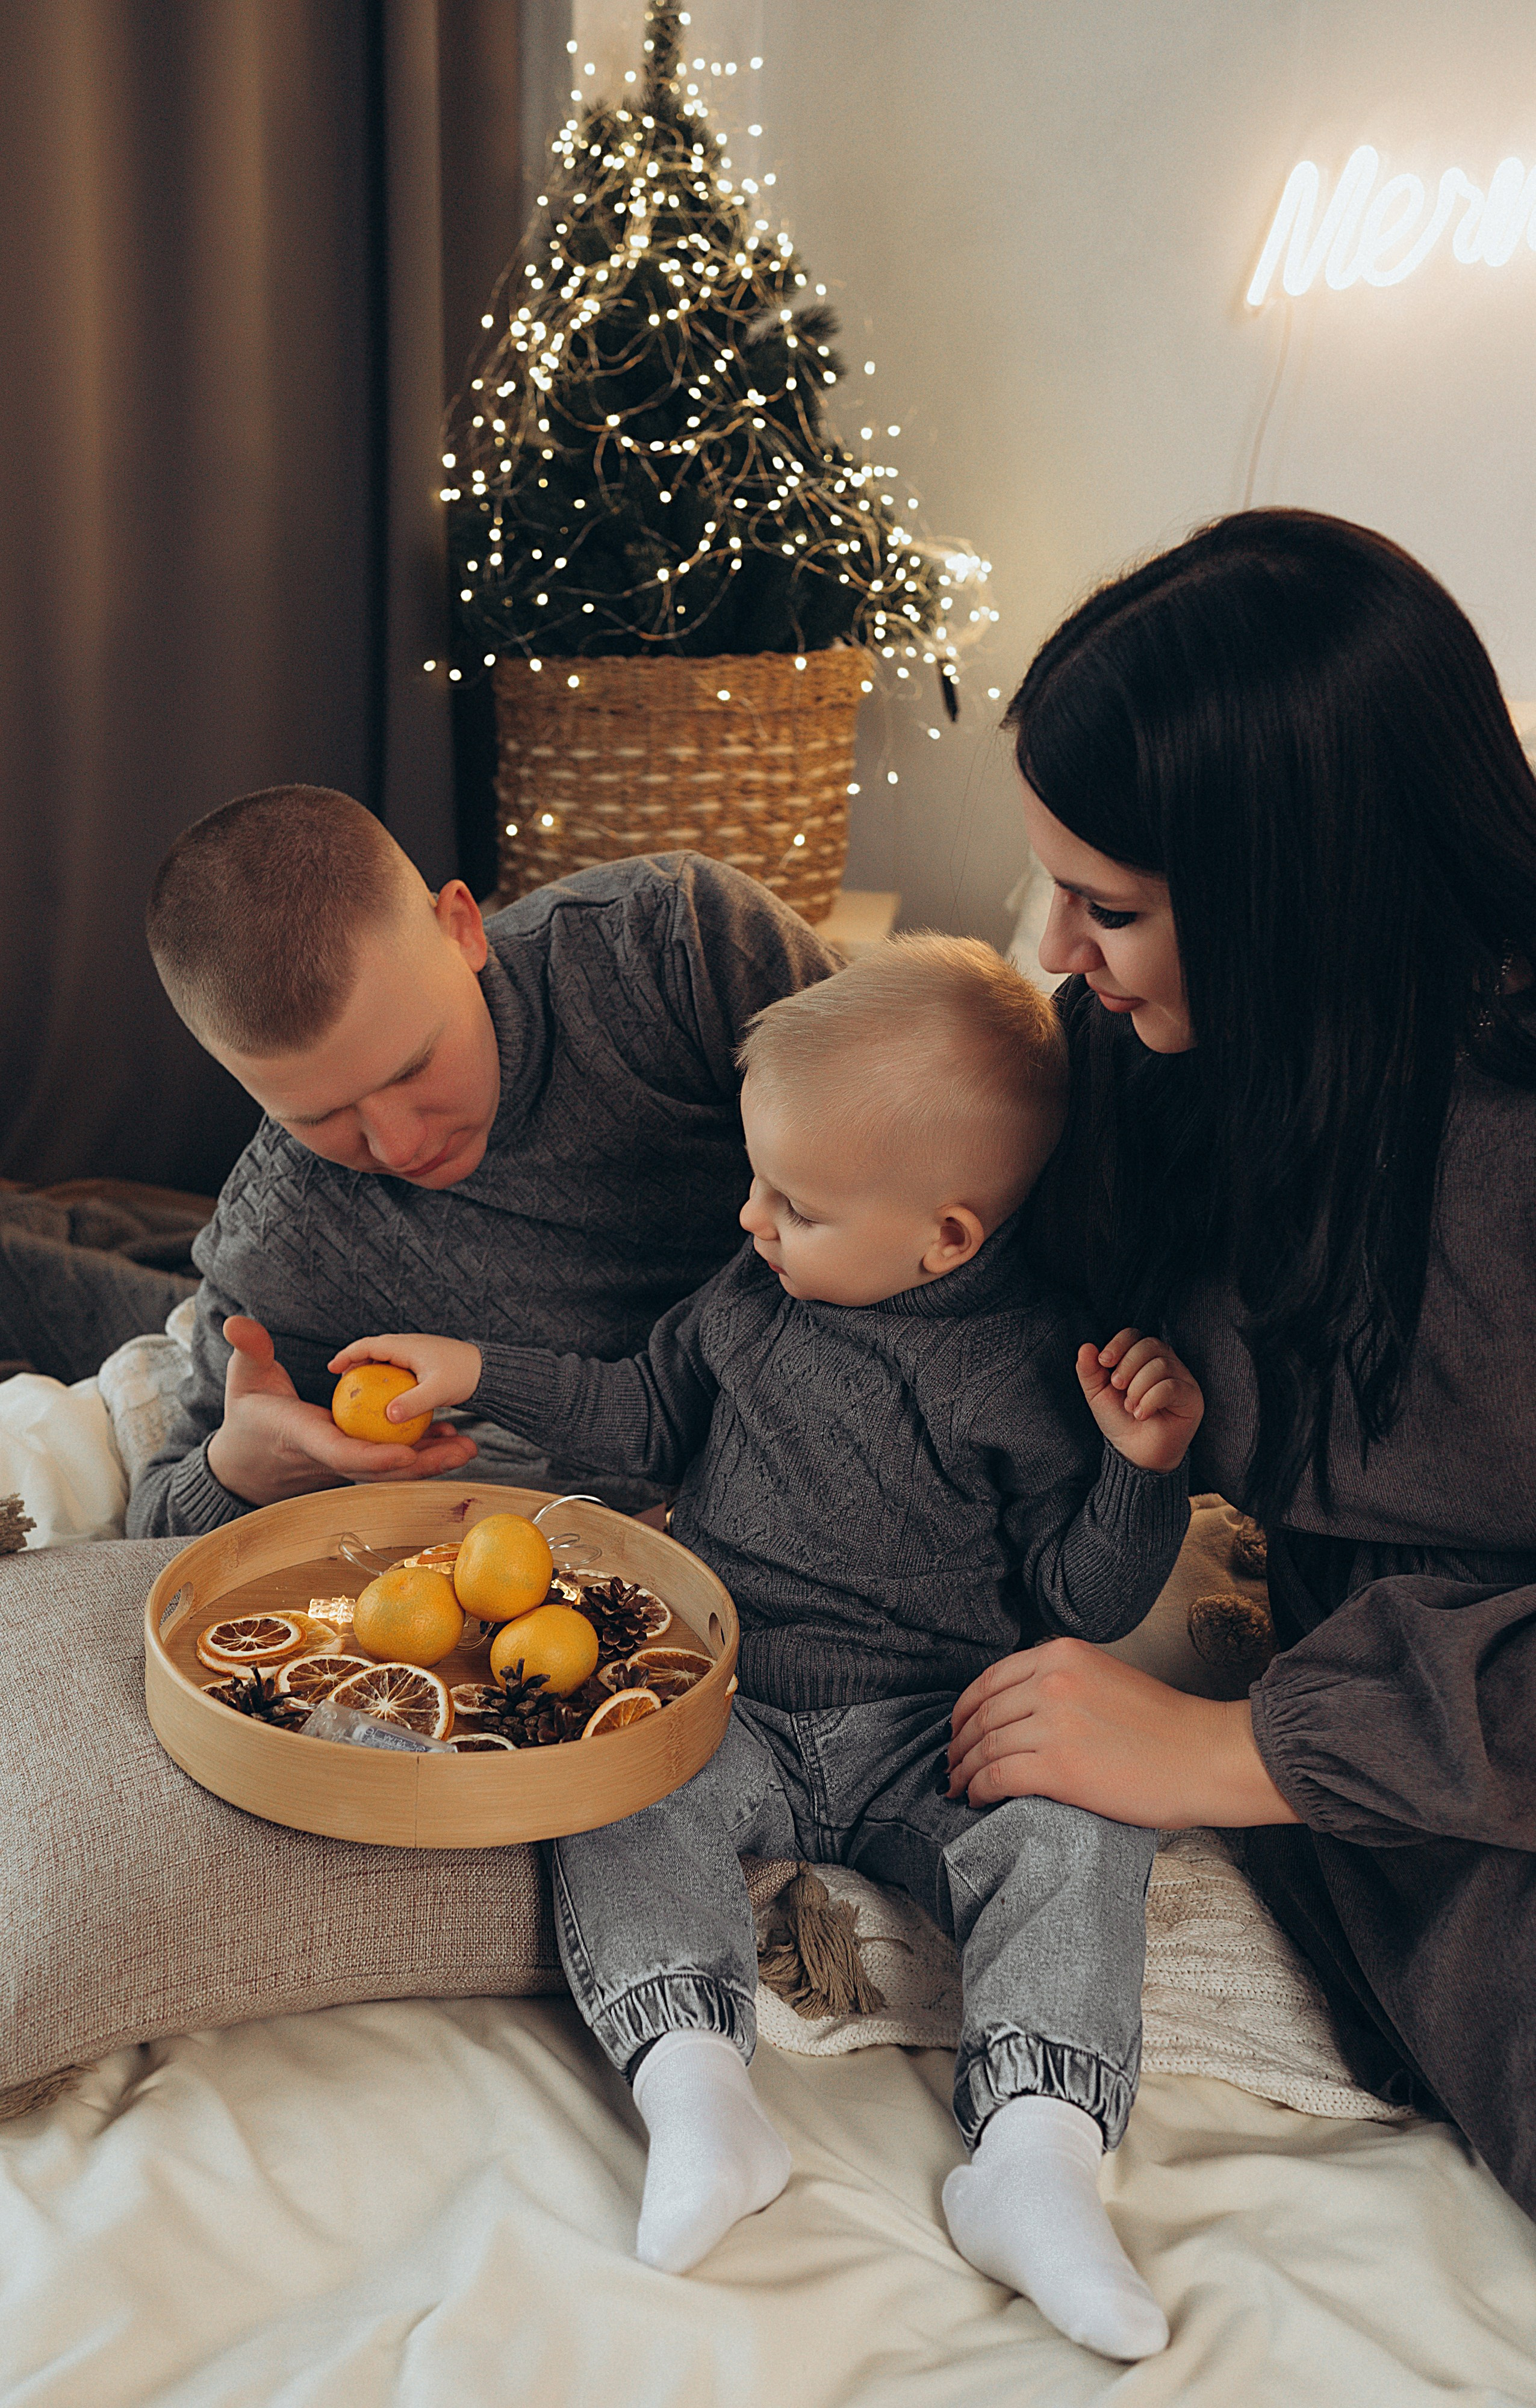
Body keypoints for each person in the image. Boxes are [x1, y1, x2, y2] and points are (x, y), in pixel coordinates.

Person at [332, 936, 1204, 2360]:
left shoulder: (1021, 1368)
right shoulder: (747, 1305)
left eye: (790, 1201)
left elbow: (1083, 1598)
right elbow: (635, 1412)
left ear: (946, 1237)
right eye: (756, 1182)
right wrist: (479, 1371)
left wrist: (1140, 1468)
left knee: (1079, 1829)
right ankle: (697, 2088)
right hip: (725, 1696)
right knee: (616, 1779)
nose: (747, 1218)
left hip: (939, 1721)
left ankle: (1036, 2157)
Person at [945, 506, 1536, 2217]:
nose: (1052, 950)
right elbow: (867, 1208)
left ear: (1297, 898)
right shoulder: (1159, 1068)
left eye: (1104, 907)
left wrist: (1230, 1754)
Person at [126, 787, 838, 1538]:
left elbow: (938, 1172)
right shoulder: (287, 1231)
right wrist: (242, 1470)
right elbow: (158, 1518)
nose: (398, 1147)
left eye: (413, 1067)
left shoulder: (677, 942)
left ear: (462, 928)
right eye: (319, 1117)